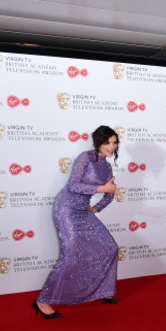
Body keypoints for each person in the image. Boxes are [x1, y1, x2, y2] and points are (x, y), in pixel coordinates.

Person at [33, 125, 120, 318]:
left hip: (82, 211)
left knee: (110, 247)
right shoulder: (85, 158)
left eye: (114, 143)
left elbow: (110, 193)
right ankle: (42, 300)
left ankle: (104, 290)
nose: (111, 146)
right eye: (107, 142)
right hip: (66, 209)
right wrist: (101, 189)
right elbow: (73, 185)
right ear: (98, 142)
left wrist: (97, 207)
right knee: (70, 256)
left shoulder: (106, 166)